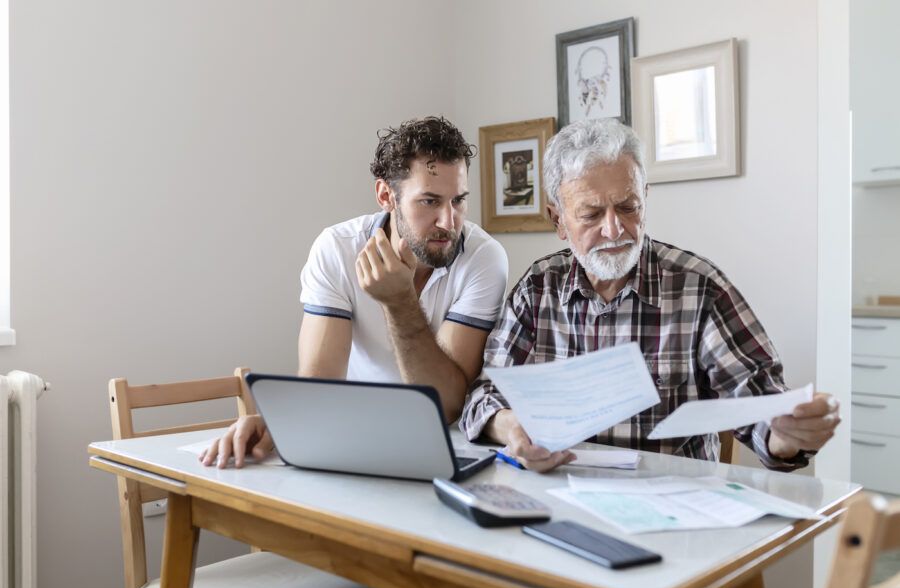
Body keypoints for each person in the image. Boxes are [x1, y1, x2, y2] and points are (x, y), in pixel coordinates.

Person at [460, 118, 841, 473]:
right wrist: (511, 428)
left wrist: (787, 436)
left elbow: (760, 403)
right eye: (591, 214)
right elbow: (483, 397)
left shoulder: (699, 288)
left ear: (645, 198)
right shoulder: (538, 287)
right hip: (558, 498)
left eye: (628, 207)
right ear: (557, 219)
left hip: (670, 512)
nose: (614, 229)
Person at [203, 116, 508, 468]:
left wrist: (400, 303)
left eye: (458, 201)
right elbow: (319, 387)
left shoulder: (484, 258)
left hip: (447, 448)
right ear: (385, 196)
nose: (448, 221)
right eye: (429, 201)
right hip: (353, 438)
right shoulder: (337, 249)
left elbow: (447, 406)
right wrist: (277, 422)